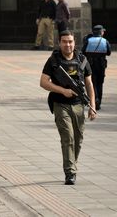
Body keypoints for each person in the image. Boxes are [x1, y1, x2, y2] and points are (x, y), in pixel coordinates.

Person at [40, 30, 96, 185]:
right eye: (64, 41)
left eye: (70, 41)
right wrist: (62, 90)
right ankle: (70, 172)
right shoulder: (53, 61)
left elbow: (89, 84)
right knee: (68, 138)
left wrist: (92, 105)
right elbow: (43, 82)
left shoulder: (82, 60)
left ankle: (72, 163)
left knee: (77, 140)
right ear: (59, 42)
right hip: (60, 105)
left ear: (74, 42)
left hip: (79, 105)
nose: (68, 44)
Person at [81, 25, 112, 111]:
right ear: (101, 32)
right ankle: (99, 102)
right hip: (101, 65)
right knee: (100, 83)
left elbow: (83, 52)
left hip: (90, 65)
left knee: (92, 82)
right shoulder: (105, 41)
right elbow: (109, 52)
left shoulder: (88, 40)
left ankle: (95, 100)